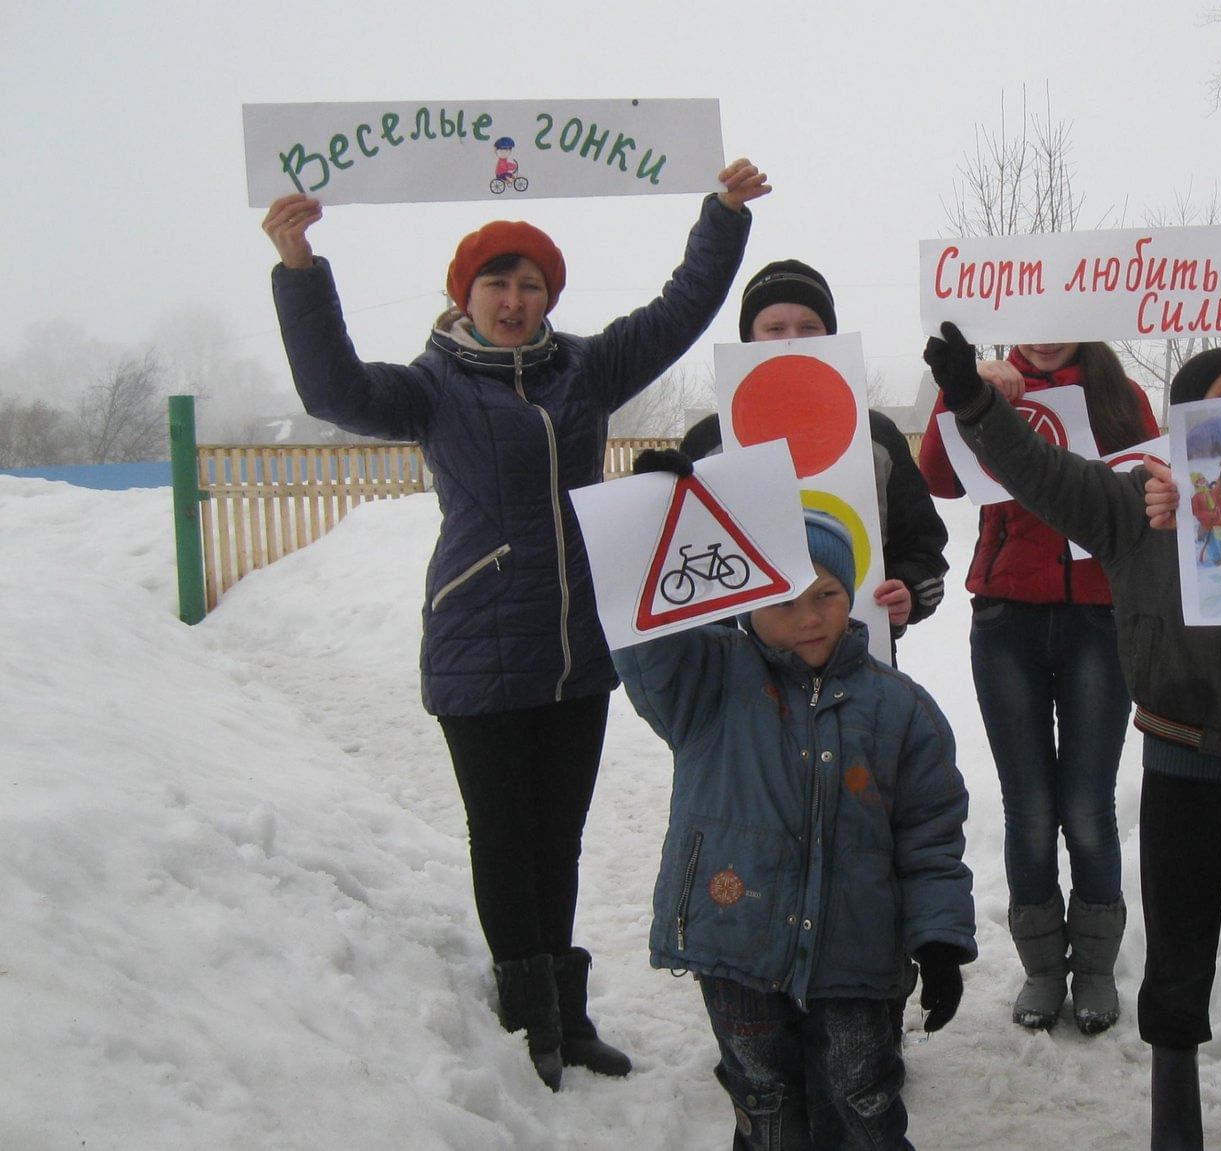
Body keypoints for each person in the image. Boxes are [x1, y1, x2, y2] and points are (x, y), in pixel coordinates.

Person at [260, 159, 771, 1090]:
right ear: (466, 295)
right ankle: (524, 1014)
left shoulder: (585, 371)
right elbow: (331, 388)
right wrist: (301, 266)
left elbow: (679, 309)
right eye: (497, 281)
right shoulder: (431, 387)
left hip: (575, 648)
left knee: (560, 834)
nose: (514, 296)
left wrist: (723, 216)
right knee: (503, 835)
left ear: (548, 297)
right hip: (477, 647)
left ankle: (567, 1016)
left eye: (530, 283)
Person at [926, 329, 1221, 1151]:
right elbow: (1039, 471)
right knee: (1178, 962)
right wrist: (973, 401)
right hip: (1179, 768)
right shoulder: (1131, 505)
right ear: (1186, 421)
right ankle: (1173, 1124)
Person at [613, 500, 975, 1149]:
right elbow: (647, 634)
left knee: (862, 1099)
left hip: (856, 958)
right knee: (766, 1101)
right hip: (737, 947)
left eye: (827, 594)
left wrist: (939, 938)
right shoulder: (709, 682)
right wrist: (663, 527)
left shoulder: (901, 709)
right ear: (746, 602)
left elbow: (930, 838)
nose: (809, 617)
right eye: (783, 600)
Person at [918, 338, 1158, 1035]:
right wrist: (959, 387)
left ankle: (1095, 967)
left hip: (1097, 618)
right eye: (1032, 323)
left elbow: (1150, 487)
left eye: (1061, 320)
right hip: (1006, 620)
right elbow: (938, 474)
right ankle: (1043, 968)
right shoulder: (994, 381)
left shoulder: (1118, 391)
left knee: (1086, 805)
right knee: (1027, 808)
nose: (1047, 337)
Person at [651, 259, 949, 639]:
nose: (792, 338)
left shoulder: (876, 435)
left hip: (857, 654)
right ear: (750, 339)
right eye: (774, 328)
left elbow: (922, 543)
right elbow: (679, 562)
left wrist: (908, 589)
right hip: (745, 663)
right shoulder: (711, 441)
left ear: (829, 336)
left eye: (809, 327)